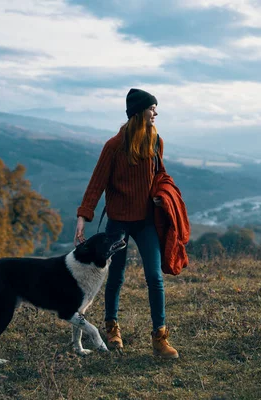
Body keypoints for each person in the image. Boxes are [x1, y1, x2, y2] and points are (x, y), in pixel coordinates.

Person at [74, 88, 179, 359]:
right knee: (116, 277)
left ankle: (159, 338)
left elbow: (161, 176)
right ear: (137, 112)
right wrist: (83, 217)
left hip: (145, 222)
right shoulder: (114, 146)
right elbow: (96, 184)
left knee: (154, 277)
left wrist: (160, 196)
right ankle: (112, 329)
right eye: (151, 108)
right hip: (118, 223)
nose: (156, 112)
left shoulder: (156, 141)